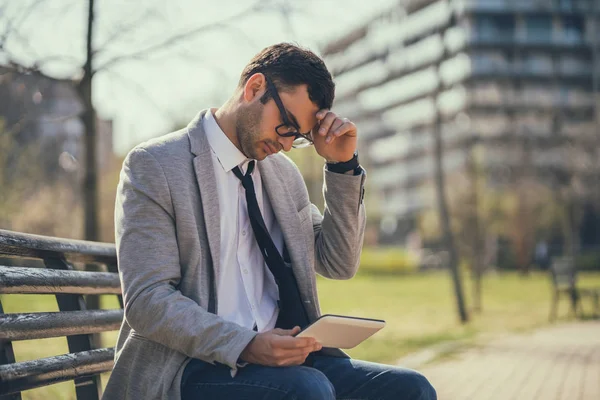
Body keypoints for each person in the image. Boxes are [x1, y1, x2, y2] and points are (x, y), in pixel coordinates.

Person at [103, 43, 436, 400]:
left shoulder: (281, 175)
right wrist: (245, 344)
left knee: (409, 389)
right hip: (188, 367)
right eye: (287, 126)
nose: (288, 145)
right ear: (255, 88)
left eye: (299, 136)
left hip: (285, 361)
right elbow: (147, 300)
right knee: (308, 390)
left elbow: (338, 263)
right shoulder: (156, 165)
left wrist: (342, 167)